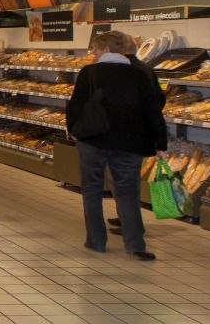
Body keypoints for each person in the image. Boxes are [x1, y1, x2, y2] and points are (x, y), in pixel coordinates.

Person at [67, 31, 167, 260]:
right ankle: (135, 244)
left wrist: (73, 129)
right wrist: (160, 142)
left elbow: (76, 106)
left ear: (104, 49)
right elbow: (153, 111)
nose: (94, 53)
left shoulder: (89, 73)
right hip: (130, 143)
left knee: (92, 190)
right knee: (128, 192)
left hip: (92, 140)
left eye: (95, 49)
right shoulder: (139, 74)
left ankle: (96, 241)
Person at [108, 32, 166, 234]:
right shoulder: (145, 69)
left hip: (125, 136)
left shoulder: (125, 71)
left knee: (123, 182)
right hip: (139, 134)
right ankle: (125, 217)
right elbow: (159, 100)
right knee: (126, 180)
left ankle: (131, 224)